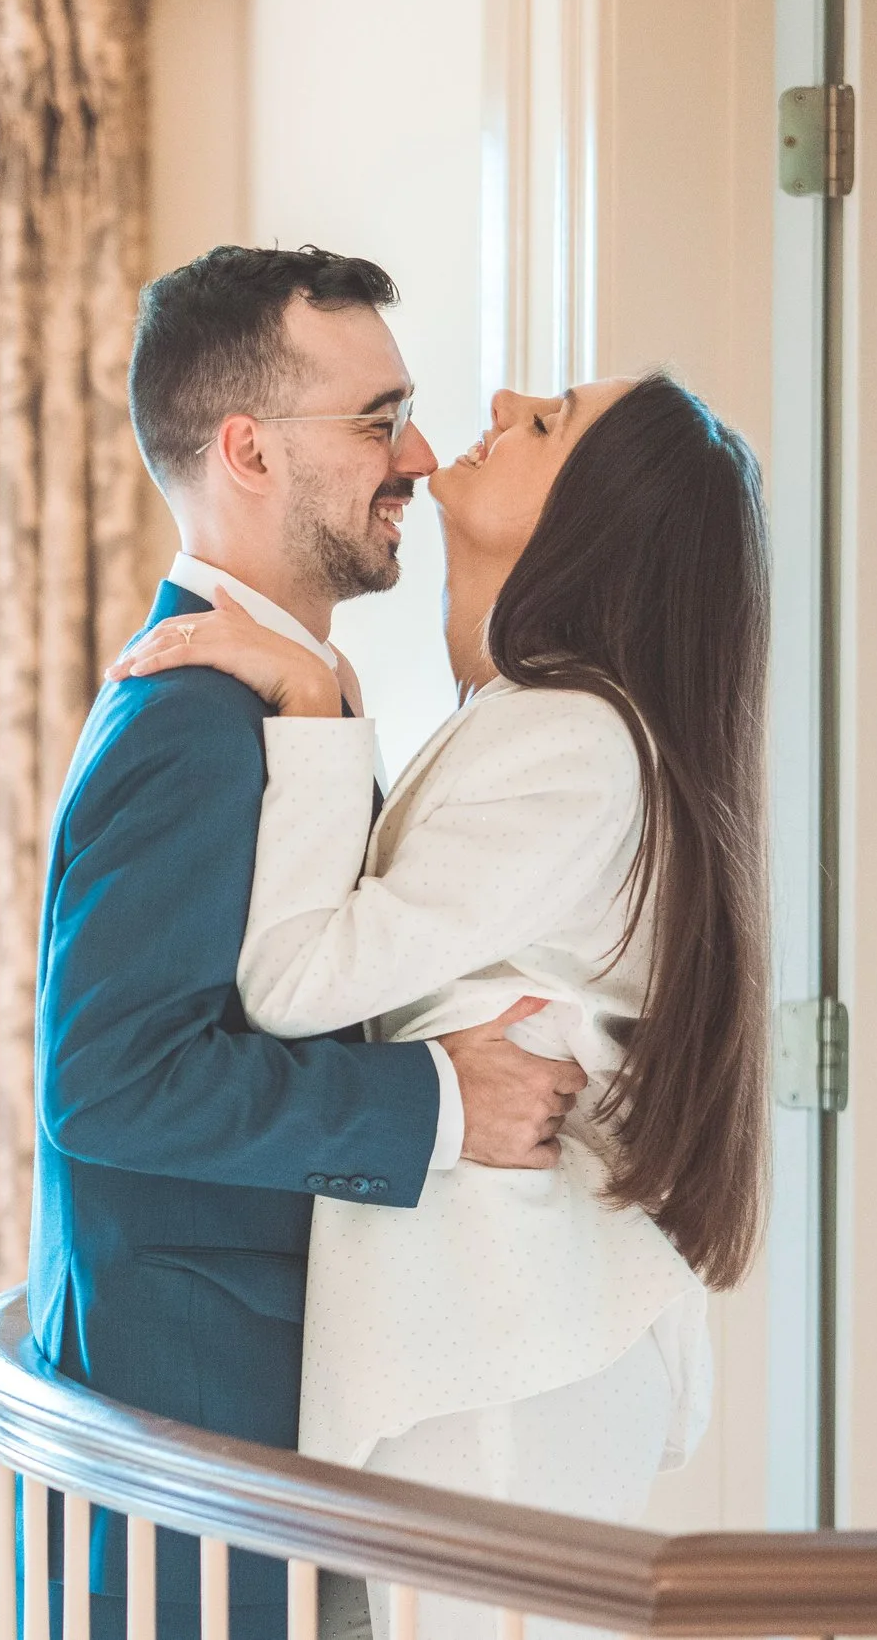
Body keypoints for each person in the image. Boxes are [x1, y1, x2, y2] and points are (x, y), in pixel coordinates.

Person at [111, 371, 773, 1640]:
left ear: (591, 520)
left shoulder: (570, 737)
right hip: (490, 1333)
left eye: (545, 420)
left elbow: (294, 982)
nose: (507, 394)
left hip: (503, 1343)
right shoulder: (537, 723)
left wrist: (311, 700)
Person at [25, 246, 590, 1640]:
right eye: (374, 417)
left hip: (274, 1448)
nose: (412, 454)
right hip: (195, 1472)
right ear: (248, 451)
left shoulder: (282, 702)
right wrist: (444, 1106)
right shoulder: (189, 728)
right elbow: (109, 1084)